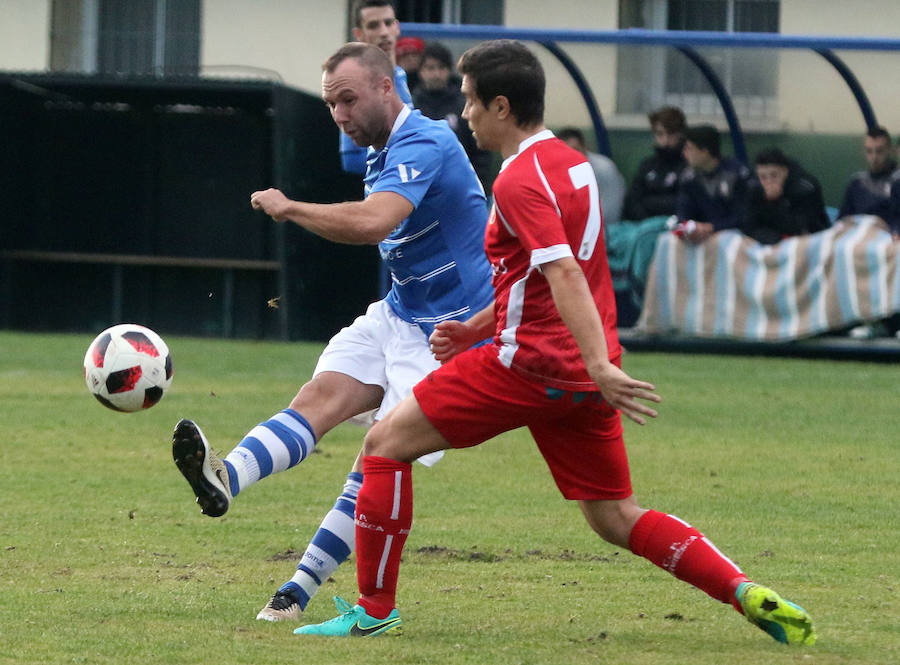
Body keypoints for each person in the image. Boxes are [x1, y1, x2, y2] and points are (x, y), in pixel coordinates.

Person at [293, 39, 816, 647]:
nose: (464, 116)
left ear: (503, 106)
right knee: (615, 516)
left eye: (470, 103)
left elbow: (564, 271)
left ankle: (374, 608)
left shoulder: (517, 178)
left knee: (383, 446)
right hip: (579, 376)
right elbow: (535, 277)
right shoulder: (575, 164)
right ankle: (742, 591)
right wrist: (479, 329)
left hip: (528, 365)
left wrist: (592, 361)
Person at [172, 42, 493, 622]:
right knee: (317, 400)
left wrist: (291, 207)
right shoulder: (382, 149)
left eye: (347, 100)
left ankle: (298, 591)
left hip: (452, 335)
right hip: (398, 314)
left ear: (384, 87)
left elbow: (374, 223)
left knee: (375, 459)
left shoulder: (424, 139)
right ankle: (224, 478)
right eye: (329, 105)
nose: (339, 115)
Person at [339, 0, 413, 175]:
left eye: (388, 23)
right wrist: (408, 163)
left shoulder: (401, 76)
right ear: (359, 34)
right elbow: (351, 160)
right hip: (382, 193)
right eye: (373, 26)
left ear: (397, 27)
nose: (383, 32)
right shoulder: (355, 82)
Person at [412, 41, 494, 193]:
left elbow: (481, 149)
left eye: (441, 68)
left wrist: (477, 185)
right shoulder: (411, 106)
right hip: (421, 189)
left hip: (464, 188)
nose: (436, 74)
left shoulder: (465, 105)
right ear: (421, 71)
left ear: (449, 70)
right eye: (430, 68)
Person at [675, 124, 751, 244]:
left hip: (734, 235)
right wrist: (688, 227)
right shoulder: (688, 176)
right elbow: (683, 210)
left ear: (705, 152)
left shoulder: (735, 174)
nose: (684, 153)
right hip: (701, 235)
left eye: (689, 148)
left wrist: (712, 227)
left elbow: (743, 216)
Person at [742, 148, 830, 245]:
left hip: (809, 238)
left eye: (774, 175)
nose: (769, 181)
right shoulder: (754, 187)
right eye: (763, 177)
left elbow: (799, 227)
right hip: (773, 239)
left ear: (785, 171)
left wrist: (774, 203)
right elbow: (748, 224)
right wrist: (773, 239)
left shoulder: (805, 188)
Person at [623, 106, 687, 221]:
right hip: (642, 226)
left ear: (680, 134)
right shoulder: (647, 165)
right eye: (660, 134)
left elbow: (682, 202)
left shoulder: (688, 165)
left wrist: (649, 203)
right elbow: (631, 201)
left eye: (671, 134)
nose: (666, 140)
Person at [557, 126, 625, 225]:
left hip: (604, 229)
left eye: (575, 149)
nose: (571, 155)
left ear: (584, 148)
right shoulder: (557, 170)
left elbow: (611, 211)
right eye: (565, 151)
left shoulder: (604, 168)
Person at [838, 126, 898, 220]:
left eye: (879, 151)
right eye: (869, 151)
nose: (874, 157)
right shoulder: (856, 182)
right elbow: (842, 218)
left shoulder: (897, 182)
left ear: (890, 150)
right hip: (859, 231)